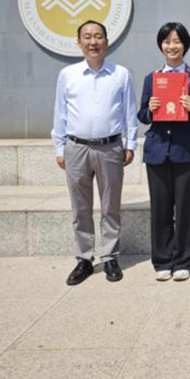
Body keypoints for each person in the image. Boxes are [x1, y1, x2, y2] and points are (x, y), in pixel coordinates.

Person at [51, 20, 138, 286]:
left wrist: (130, 144)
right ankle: (84, 259)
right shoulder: (68, 75)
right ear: (79, 43)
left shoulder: (120, 74)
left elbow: (129, 112)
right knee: (80, 207)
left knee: (110, 205)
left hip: (110, 147)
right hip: (76, 147)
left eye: (98, 36)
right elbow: (60, 113)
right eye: (87, 37)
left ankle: (110, 256)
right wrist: (59, 147)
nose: (93, 42)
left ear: (106, 42)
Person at [138, 22, 190, 281]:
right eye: (167, 41)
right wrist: (150, 109)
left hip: (186, 151)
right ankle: (162, 260)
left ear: (185, 45)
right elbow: (142, 115)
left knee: (186, 209)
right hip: (157, 151)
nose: (172, 46)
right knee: (160, 208)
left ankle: (182, 260)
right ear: (161, 46)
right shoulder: (152, 79)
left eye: (177, 41)